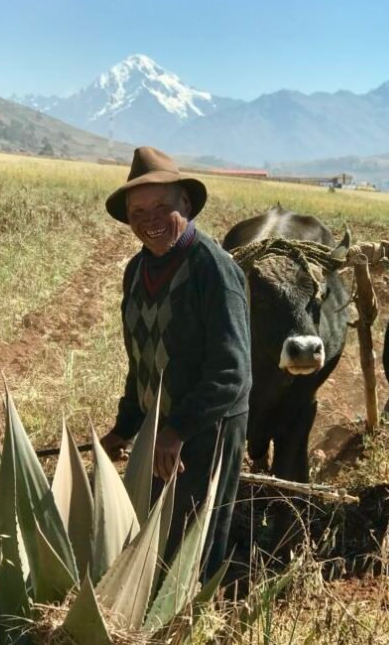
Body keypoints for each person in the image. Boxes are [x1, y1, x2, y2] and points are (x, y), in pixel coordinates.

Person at [99, 146, 251, 579]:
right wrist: (124, 429)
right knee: (151, 540)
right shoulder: (136, 271)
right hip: (158, 434)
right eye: (138, 211)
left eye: (161, 205)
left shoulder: (213, 270)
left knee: (191, 549)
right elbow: (140, 363)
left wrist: (176, 430)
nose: (149, 218)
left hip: (206, 433)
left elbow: (231, 372)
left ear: (185, 203)